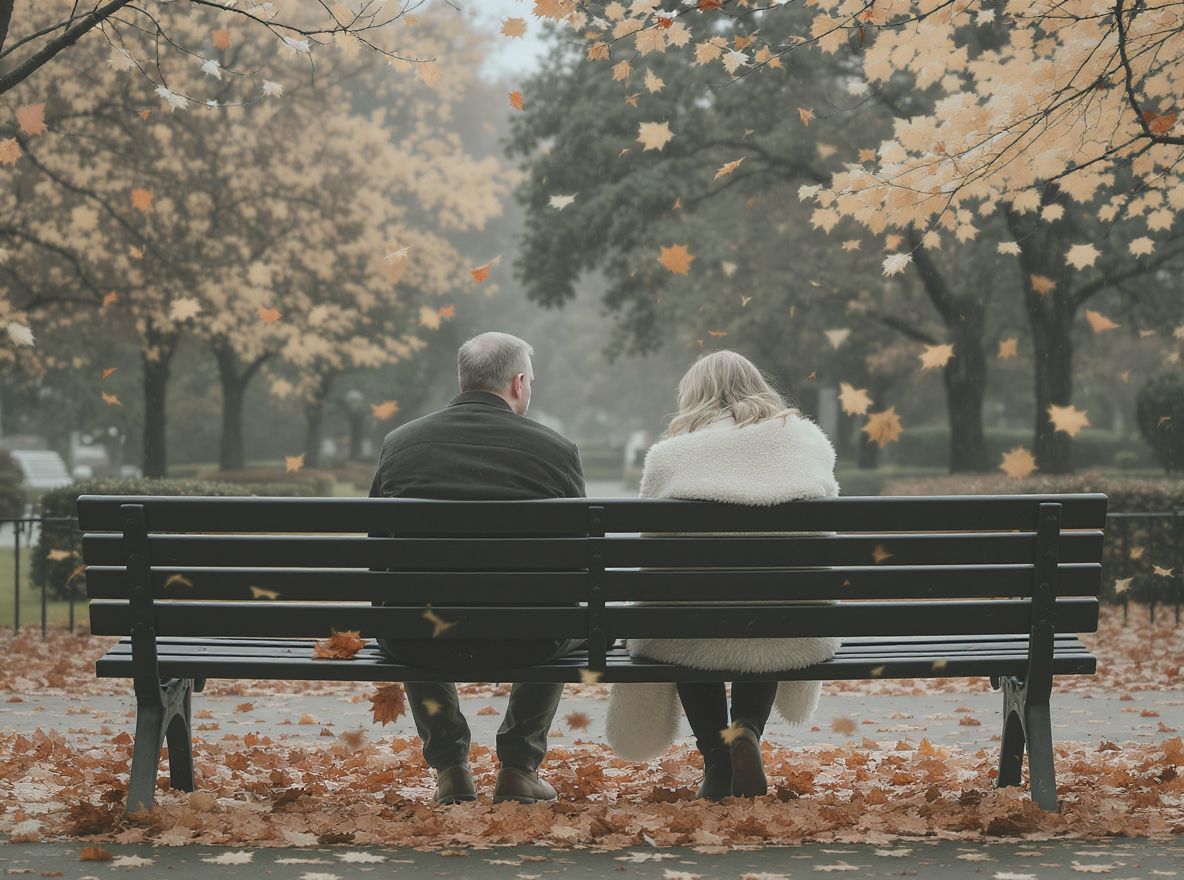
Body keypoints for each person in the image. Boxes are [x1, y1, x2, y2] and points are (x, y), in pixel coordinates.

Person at [604, 350, 841, 801]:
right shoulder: (808, 443)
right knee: (770, 603)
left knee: (685, 621)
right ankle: (746, 728)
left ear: (694, 397)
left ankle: (717, 758)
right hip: (788, 624)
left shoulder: (670, 456)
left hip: (692, 626)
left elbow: (650, 551)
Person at [367, 331, 586, 805]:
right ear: (518, 383)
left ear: (462, 380)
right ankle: (519, 767)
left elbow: (378, 551)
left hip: (420, 636)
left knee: (410, 606)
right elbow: (578, 561)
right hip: (530, 638)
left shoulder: (401, 444)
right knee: (563, 612)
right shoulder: (556, 451)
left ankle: (450, 766)